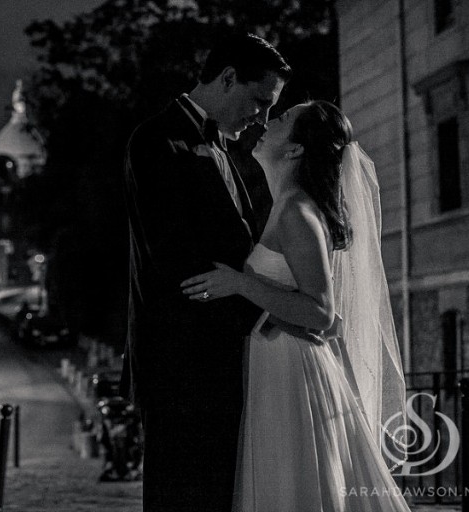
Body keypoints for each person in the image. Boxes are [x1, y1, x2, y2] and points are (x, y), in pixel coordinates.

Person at [181, 100, 410, 511]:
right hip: (275, 359)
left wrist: (239, 283)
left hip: (290, 370)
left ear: (295, 149)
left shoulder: (297, 212)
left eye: (284, 118)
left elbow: (320, 311)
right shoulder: (286, 206)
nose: (269, 121)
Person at [121, 33, 291, 512]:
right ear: (228, 78)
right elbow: (175, 259)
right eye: (260, 101)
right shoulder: (156, 139)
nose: (261, 116)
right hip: (182, 361)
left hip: (222, 357)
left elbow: (234, 246)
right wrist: (265, 314)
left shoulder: (221, 146)